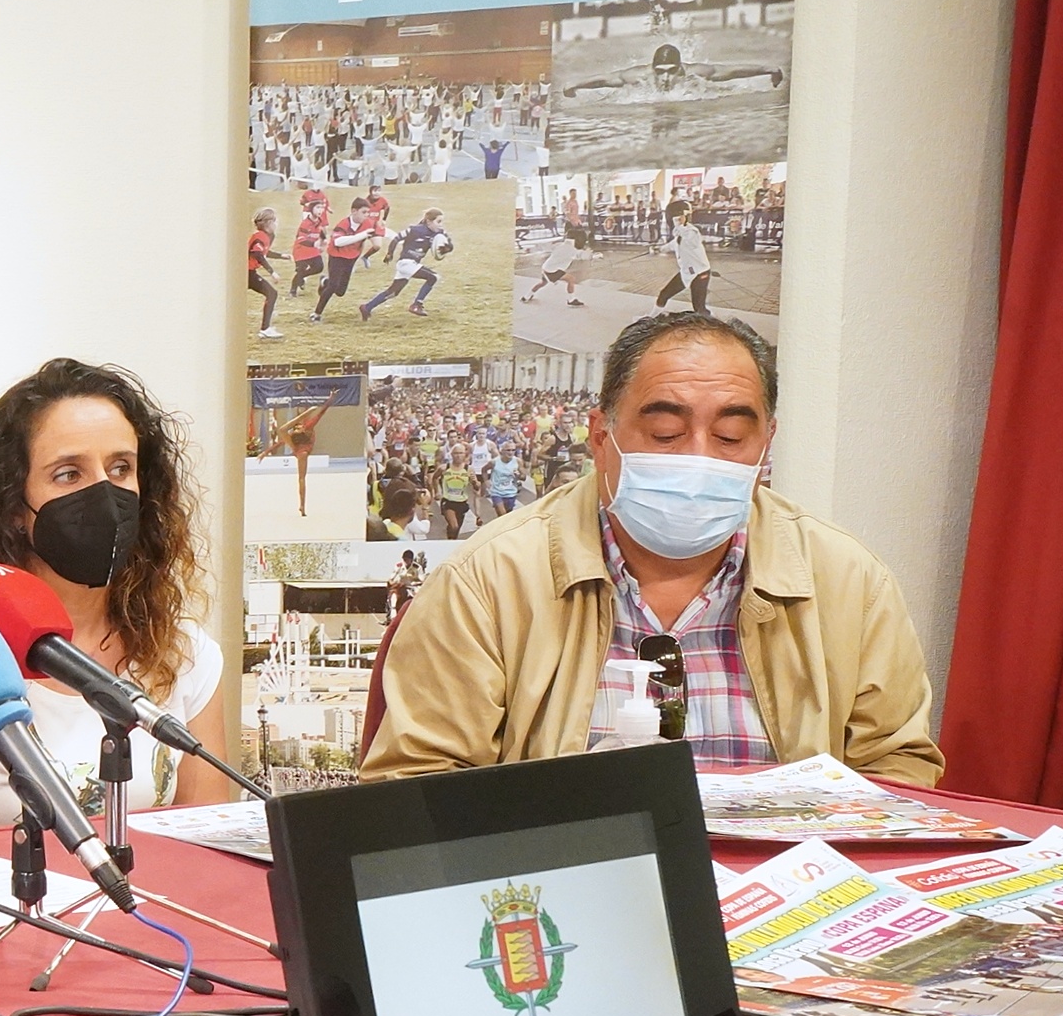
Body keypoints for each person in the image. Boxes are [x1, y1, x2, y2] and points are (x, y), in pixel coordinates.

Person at [361, 313, 941, 781]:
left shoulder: (846, 580)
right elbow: (419, 782)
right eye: (666, 433)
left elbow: (896, 767)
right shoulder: (489, 580)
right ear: (600, 436)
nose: (698, 457)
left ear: (767, 442)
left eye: (731, 436)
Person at [0, 358, 231, 836]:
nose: (104, 495)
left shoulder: (184, 652)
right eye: (68, 474)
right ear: (14, 507)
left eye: (121, 468)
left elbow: (206, 845)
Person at [359, 206, 453, 320]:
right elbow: (396, 238)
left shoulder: (439, 233)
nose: (441, 225)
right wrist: (390, 253)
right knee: (434, 277)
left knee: (393, 292)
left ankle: (367, 307)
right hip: (406, 263)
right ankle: (417, 304)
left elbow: (449, 245)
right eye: (438, 221)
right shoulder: (415, 230)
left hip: (411, 265)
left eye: (442, 222)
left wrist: (446, 248)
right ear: (429, 221)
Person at [655, 201, 714, 314]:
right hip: (687, 272)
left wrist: (681, 225)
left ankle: (709, 321)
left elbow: (692, 241)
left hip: (700, 273)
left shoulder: (692, 232)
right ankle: (652, 316)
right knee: (664, 294)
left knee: (699, 308)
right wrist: (659, 249)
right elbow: (673, 244)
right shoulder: (680, 235)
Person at [247, 208, 285, 339]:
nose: (277, 223)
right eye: (275, 221)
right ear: (268, 223)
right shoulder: (260, 236)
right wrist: (272, 272)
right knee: (272, 293)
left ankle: (266, 328)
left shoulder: (266, 236)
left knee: (271, 293)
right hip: (246, 273)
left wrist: (281, 256)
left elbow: (264, 252)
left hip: (248, 272)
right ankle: (265, 329)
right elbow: (258, 254)